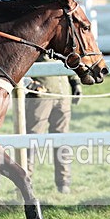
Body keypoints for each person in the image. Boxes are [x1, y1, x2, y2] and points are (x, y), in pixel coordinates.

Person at [24, 59, 82, 194]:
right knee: (32, 140)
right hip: (40, 96)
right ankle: (24, 182)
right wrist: (29, 83)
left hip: (63, 96)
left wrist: (75, 83)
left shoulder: (63, 39)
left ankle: (64, 182)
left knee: (62, 139)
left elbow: (69, 59)